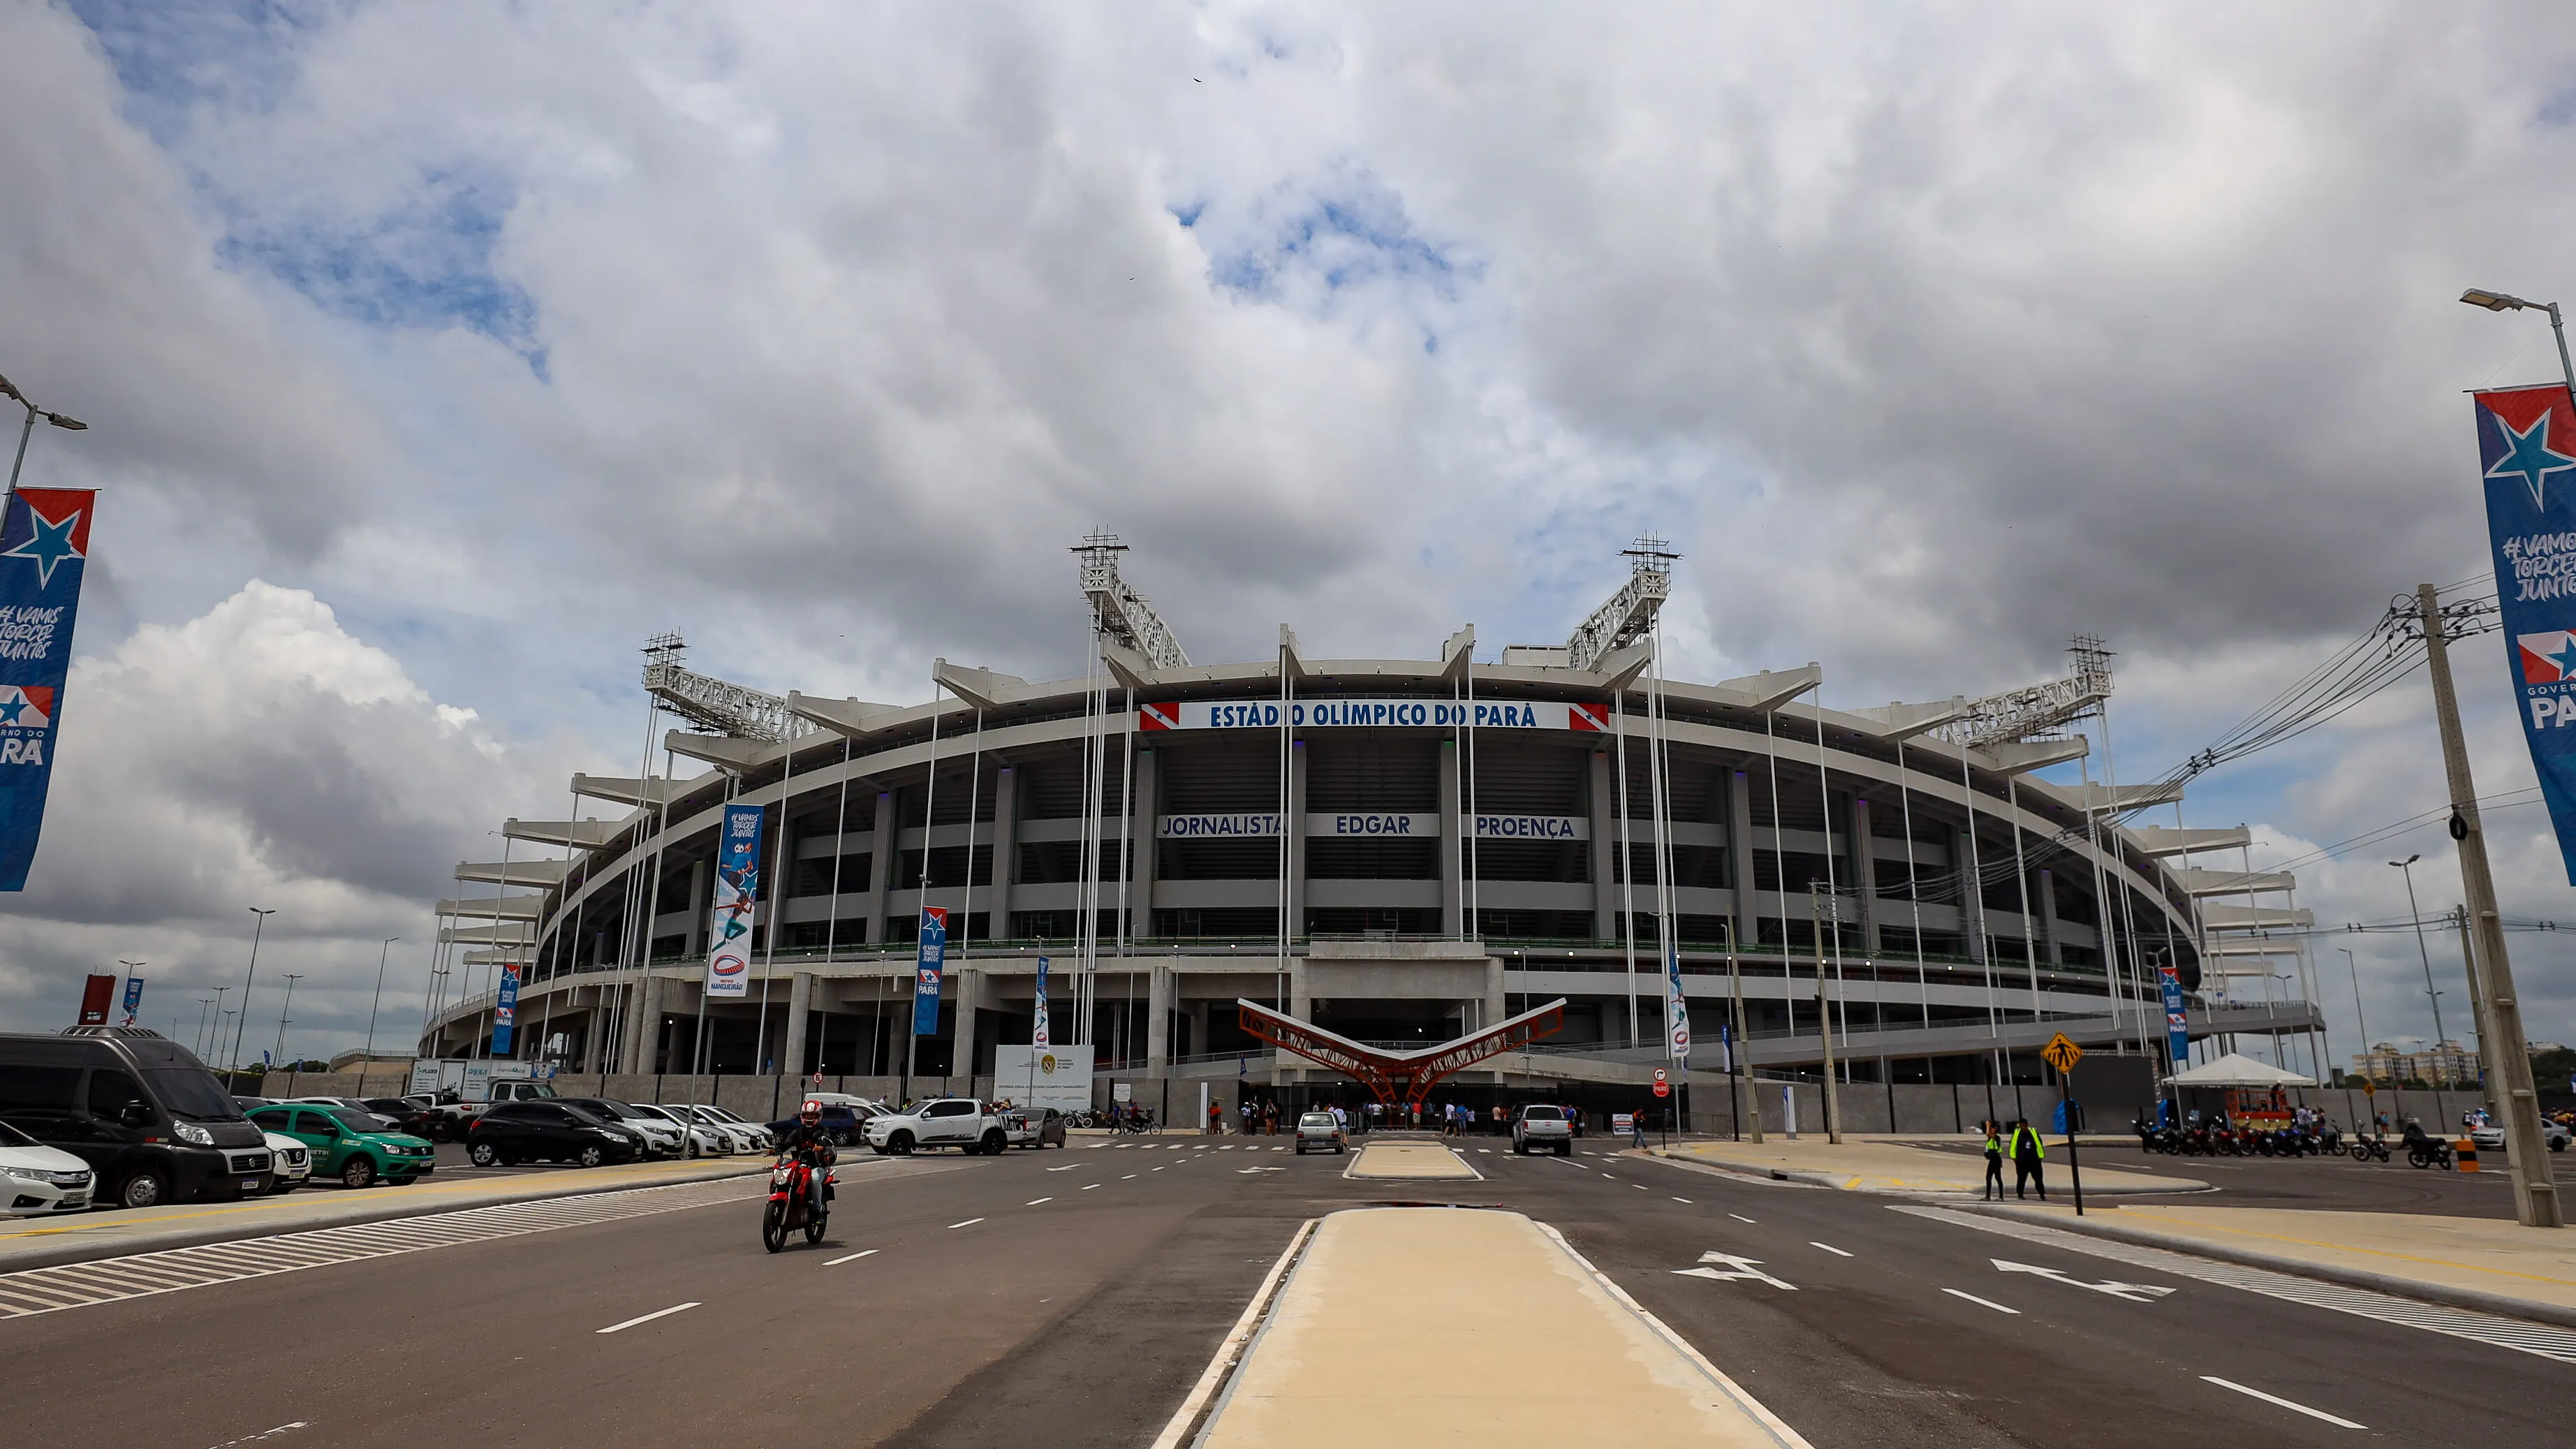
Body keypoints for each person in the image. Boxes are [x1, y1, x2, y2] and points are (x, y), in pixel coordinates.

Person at [773, 1099, 839, 1220]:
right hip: (800, 1165)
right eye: (807, 1115)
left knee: (814, 1179)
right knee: (786, 1174)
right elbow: (788, 1142)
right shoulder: (798, 1132)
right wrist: (776, 1149)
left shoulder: (823, 1130)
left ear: (818, 1116)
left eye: (812, 1115)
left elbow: (826, 1138)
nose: (809, 1117)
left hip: (817, 1166)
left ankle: (817, 1210)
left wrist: (821, 1145)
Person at [2009, 1117, 2046, 1200]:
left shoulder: (2033, 1132)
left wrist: (2040, 1157)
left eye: (2023, 1125)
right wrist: (2014, 1158)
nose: (2022, 1127)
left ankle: (2042, 1194)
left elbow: (2039, 1143)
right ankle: (2020, 1194)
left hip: (2034, 1160)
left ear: (2026, 1125)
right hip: (2022, 1161)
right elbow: (2013, 1145)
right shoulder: (2017, 1133)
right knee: (2021, 1179)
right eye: (2020, 1126)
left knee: (2038, 1179)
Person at [1981, 1121, 2005, 1200]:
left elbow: (1988, 1134)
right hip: (1992, 1160)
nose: (1990, 1130)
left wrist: (1987, 1125)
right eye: (1990, 1128)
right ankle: (1988, 1196)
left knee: (1998, 1179)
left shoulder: (1997, 1137)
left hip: (1996, 1160)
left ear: (1995, 1129)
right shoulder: (1991, 1138)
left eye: (1992, 1128)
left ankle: (2001, 1197)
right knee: (1988, 1178)